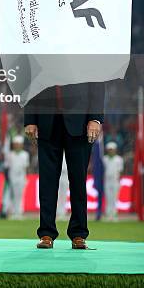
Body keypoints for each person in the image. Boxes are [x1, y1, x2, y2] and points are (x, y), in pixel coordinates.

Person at [24, 82, 105, 249]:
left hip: (80, 122)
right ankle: (46, 234)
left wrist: (95, 118)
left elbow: (97, 82)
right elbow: (31, 82)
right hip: (47, 121)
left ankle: (79, 234)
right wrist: (30, 119)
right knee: (47, 182)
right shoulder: (42, 55)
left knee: (78, 181)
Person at [7, 135, 29, 219]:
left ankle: (19, 212)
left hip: (21, 176)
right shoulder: (10, 154)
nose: (17, 145)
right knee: (13, 194)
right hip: (12, 176)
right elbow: (8, 166)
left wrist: (26, 177)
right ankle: (13, 212)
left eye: (19, 144)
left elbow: (26, 167)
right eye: (16, 144)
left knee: (20, 195)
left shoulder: (25, 154)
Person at [103, 141, 123, 221]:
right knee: (108, 197)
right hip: (107, 180)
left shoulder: (119, 159)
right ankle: (108, 214)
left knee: (114, 198)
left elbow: (120, 171)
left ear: (115, 150)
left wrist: (118, 181)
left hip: (115, 180)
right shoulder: (104, 159)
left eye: (112, 149)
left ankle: (114, 214)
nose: (111, 151)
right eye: (109, 149)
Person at [56, 154, 69, 219]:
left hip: (66, 175)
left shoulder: (69, 154)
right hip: (59, 175)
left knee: (64, 195)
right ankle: (57, 212)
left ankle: (63, 212)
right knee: (57, 194)